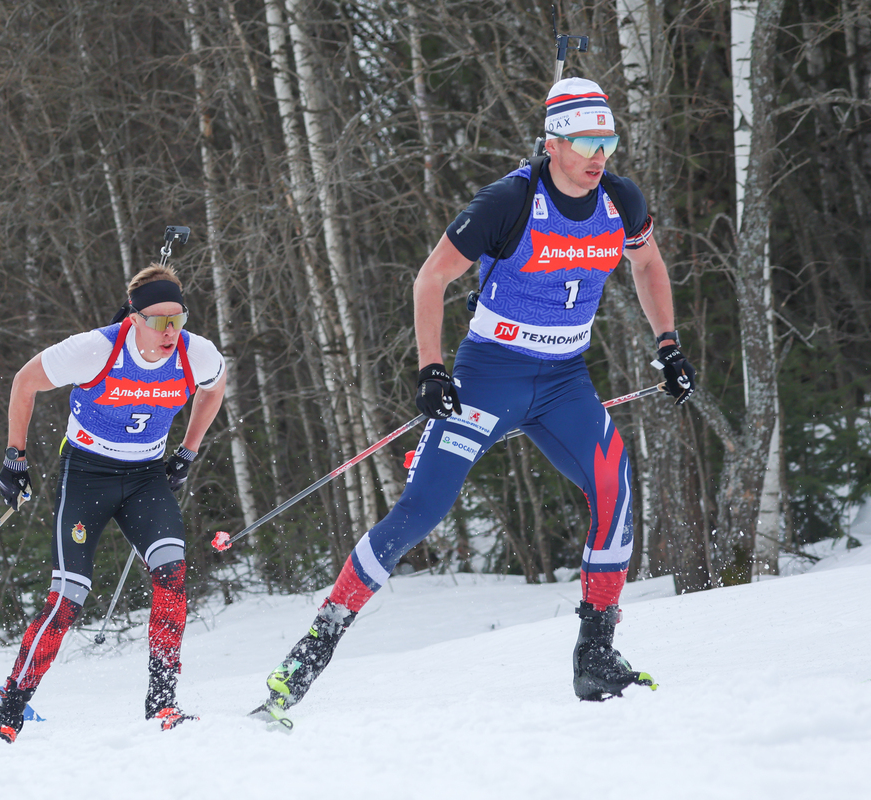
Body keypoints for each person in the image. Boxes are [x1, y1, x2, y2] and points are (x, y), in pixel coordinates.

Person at [254, 77, 696, 719]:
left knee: (614, 488)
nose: (598, 154)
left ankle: (595, 653)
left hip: (565, 382)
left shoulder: (621, 199)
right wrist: (431, 369)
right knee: (420, 511)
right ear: (553, 143)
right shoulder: (508, 201)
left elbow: (648, 264)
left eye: (607, 140)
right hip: (490, 376)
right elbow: (430, 278)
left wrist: (669, 345)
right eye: (584, 141)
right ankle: (313, 648)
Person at [0, 263, 227, 742]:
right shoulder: (96, 349)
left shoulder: (196, 353)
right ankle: (9, 709)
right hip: (86, 477)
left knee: (172, 574)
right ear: (133, 318)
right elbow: (24, 381)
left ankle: (163, 702)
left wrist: (188, 451)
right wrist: (15, 457)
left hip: (145, 477)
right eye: (159, 321)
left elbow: (215, 388)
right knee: (68, 598)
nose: (170, 331)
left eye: (178, 319)